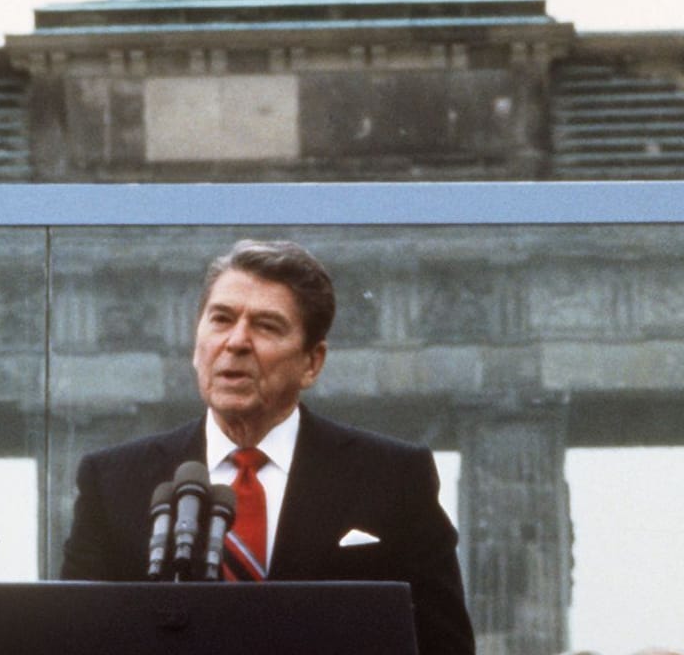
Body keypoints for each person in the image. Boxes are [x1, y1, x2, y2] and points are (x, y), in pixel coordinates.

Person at [61, 239, 476, 655]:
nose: (236, 342)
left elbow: (445, 645)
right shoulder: (112, 482)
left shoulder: (394, 478)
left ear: (312, 362)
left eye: (266, 326)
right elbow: (73, 641)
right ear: (196, 344)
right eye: (221, 319)